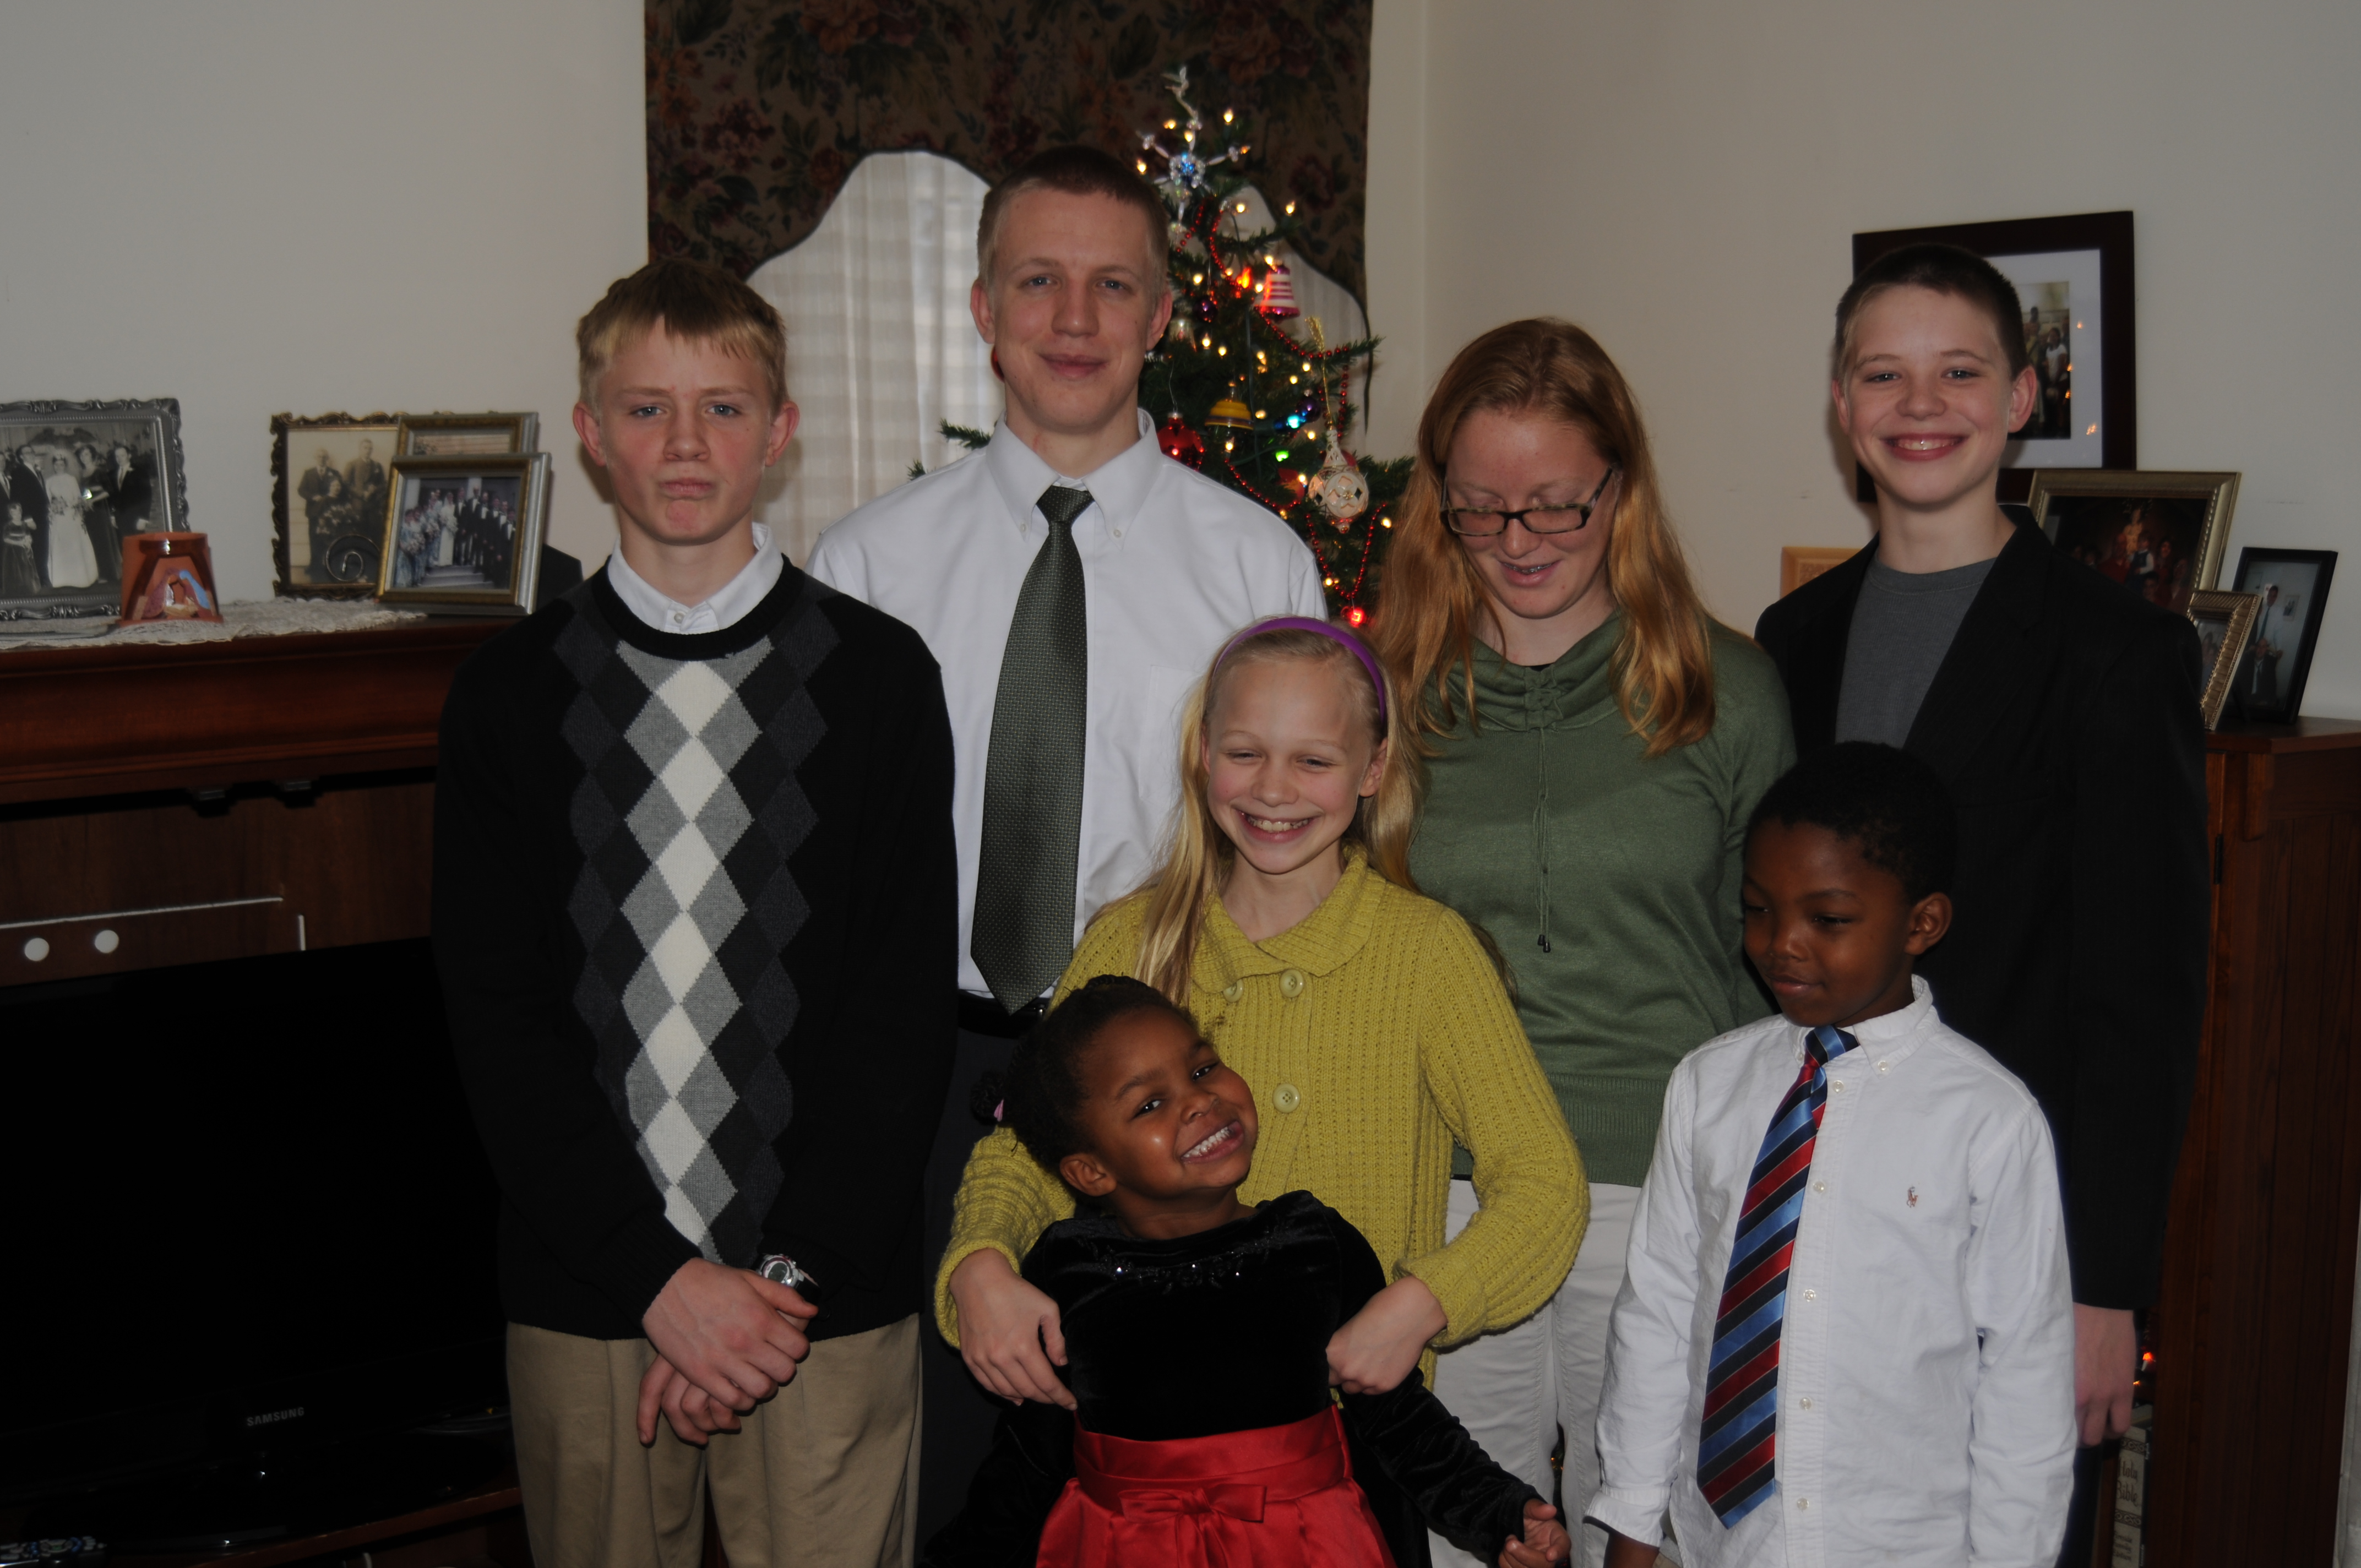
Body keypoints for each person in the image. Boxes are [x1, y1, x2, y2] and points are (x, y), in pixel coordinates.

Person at [805, 143, 1326, 1528]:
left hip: (1170, 1072)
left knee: (1170, 1472)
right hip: (935, 1067)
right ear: (984, 308)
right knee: (961, 1469)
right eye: (1038, 281)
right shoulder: (867, 565)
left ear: (1162, 313)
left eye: (1112, 284)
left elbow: (1293, 835)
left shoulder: (1258, 565)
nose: (1075, 319)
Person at [433, 257, 958, 1568]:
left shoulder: (880, 678)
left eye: (722, 407)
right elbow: (499, 1024)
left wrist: (774, 1286)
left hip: (822, 1301)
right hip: (589, 1290)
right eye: (647, 407)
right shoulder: (505, 694)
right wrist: (660, 1279)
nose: (684, 443)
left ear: (779, 432)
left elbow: (897, 1018)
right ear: (590, 432)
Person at [1753, 242, 2206, 1562]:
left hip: (2014, 1228)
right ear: (1840, 402)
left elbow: (2142, 992)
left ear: (2018, 399)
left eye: (1957, 372)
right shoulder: (1790, 639)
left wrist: (2103, 1288)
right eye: (1881, 373)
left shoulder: (2118, 651)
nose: (1918, 403)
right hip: (1819, 1202)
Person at [935, 618, 1588, 1533]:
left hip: (1349, 1458)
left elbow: (1544, 1181)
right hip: (1141, 1466)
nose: (1274, 790)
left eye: (1313, 761)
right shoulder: (1131, 941)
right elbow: (1031, 1147)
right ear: (1204, 755)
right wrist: (980, 1263)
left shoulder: (1428, 955)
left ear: (1373, 768)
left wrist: (1422, 1303)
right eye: (1245, 753)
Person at [1369, 319, 1796, 1568]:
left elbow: (1779, 972)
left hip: (1662, 1182)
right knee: (1467, 1536)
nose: (1517, 542)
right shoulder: (1388, 693)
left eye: (1556, 505)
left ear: (1621, 487)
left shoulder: (1726, 689)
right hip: (1456, 1189)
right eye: (1477, 508)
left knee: (1654, 1531)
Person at [1592, 743, 2075, 1567]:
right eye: (1758, 909)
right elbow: (1660, 1312)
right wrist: (1633, 1525)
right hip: (1725, 1544)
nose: (1781, 944)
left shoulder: (1988, 1120)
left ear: (1922, 923)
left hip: (1899, 1546)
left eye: (1829, 919)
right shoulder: (1709, 1085)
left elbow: (2025, 1380)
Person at [923, 975, 1573, 1568]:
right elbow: (1027, 1465)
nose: (1199, 1100)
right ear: (1091, 1171)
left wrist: (1501, 1513)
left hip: (1311, 1549)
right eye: (1150, 1104)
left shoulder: (1315, 1244)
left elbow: (1401, 1424)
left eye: (1203, 1067)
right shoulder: (1067, 1276)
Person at [43, 452, 97, 589]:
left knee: (74, 544)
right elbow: (48, 500)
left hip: (72, 515)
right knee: (60, 544)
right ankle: (61, 579)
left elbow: (78, 497)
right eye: (56, 465)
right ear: (53, 466)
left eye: (61, 464)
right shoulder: (49, 481)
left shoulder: (71, 479)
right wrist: (54, 508)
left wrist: (68, 505)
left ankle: (80, 578)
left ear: (65, 466)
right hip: (58, 517)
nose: (59, 467)